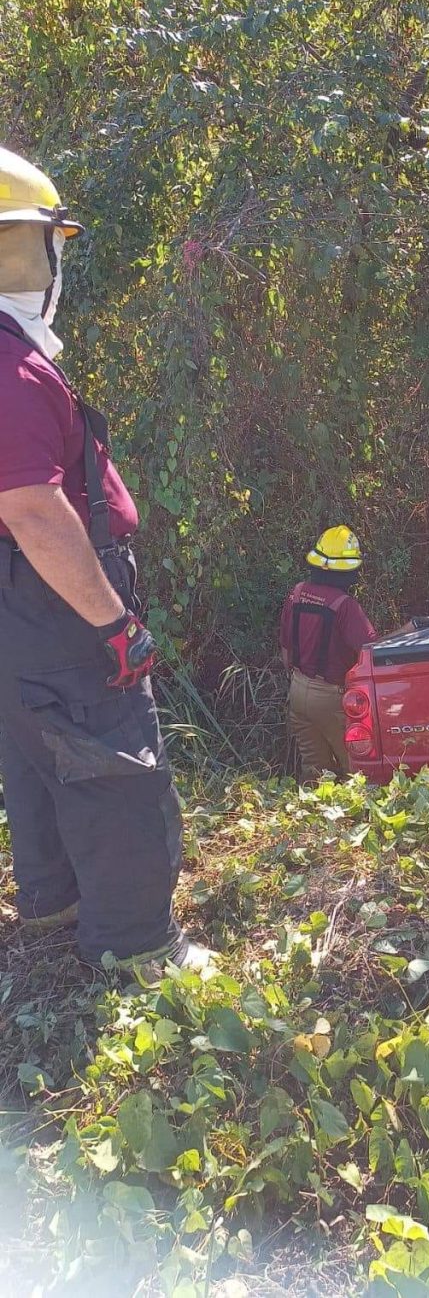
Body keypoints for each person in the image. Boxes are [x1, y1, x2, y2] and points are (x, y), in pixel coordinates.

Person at [0, 146, 208, 974]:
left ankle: (57, 911)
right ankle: (136, 946)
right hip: (57, 605)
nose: (53, 265)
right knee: (114, 762)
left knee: (41, 753)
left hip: (22, 609)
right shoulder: (9, 369)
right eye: (40, 245)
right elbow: (30, 507)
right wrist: (114, 622)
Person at [280, 526, 378, 781]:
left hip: (297, 692)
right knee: (359, 769)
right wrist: (408, 630)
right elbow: (371, 652)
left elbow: (285, 649)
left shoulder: (297, 593)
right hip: (331, 698)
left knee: (315, 771)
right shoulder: (345, 607)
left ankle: (312, 817)